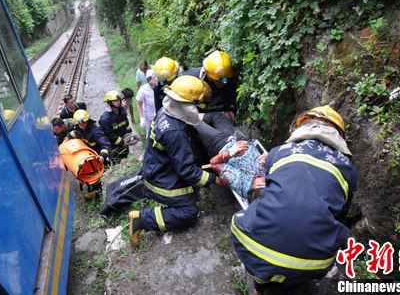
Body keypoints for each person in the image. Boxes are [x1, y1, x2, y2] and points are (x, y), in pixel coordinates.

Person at [230, 105, 357, 294]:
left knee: (240, 219)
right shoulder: (348, 169)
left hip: (255, 247)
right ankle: (294, 279)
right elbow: (340, 214)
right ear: (337, 135)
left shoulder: (279, 151)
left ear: (301, 127)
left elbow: (271, 189)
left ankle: (260, 285)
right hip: (314, 264)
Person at [128, 76, 221, 247]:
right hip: (161, 178)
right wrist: (215, 179)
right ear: (187, 105)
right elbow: (186, 171)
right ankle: (141, 219)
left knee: (192, 192)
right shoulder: (175, 132)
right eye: (197, 105)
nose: (199, 108)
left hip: (159, 166)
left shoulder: (167, 110)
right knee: (189, 211)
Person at [182, 50, 241, 136]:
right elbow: (179, 109)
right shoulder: (190, 80)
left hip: (220, 118)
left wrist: (230, 110)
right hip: (196, 118)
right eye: (217, 81)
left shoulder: (231, 78)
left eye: (226, 80)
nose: (223, 83)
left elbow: (231, 99)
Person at [66, 109, 111, 199]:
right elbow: (73, 133)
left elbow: (105, 144)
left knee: (96, 177)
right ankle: (91, 191)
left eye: (84, 123)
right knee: (87, 174)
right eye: (80, 124)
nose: (82, 125)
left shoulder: (95, 131)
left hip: (97, 158)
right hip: (87, 157)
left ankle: (98, 195)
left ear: (87, 120)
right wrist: (67, 139)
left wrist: (102, 155)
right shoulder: (78, 130)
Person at [99, 90, 133, 158]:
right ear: (109, 103)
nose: (118, 102)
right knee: (117, 160)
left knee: (125, 156)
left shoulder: (122, 111)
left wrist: (129, 135)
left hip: (125, 143)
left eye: (118, 100)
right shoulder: (105, 119)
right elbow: (110, 135)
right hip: (114, 147)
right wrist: (122, 143)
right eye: (115, 101)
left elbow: (126, 124)